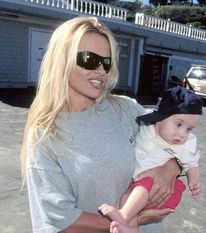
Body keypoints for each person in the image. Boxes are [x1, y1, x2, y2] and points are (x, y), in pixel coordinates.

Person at [20, 17, 181, 233]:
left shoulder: (126, 109)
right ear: (61, 60)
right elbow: (63, 219)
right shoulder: (44, 134)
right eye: (89, 59)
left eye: (106, 62)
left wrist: (171, 166)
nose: (101, 71)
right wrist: (133, 219)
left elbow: (178, 136)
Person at [99, 86, 203, 233]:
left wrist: (194, 181)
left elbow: (192, 163)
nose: (182, 133)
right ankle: (131, 229)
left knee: (142, 187)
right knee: (126, 199)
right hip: (140, 188)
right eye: (179, 124)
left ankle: (123, 216)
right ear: (160, 120)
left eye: (189, 129)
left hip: (163, 191)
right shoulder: (147, 128)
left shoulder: (186, 143)